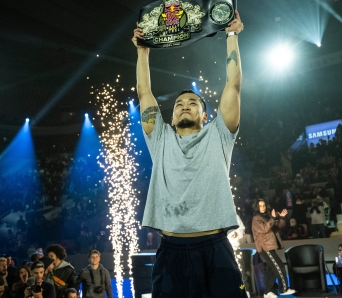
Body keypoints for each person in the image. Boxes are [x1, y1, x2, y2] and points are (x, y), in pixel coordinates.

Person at [132, 10, 247, 298]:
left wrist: (231, 36)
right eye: (179, 103)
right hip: (171, 251)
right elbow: (144, 92)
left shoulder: (220, 134)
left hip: (216, 248)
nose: (185, 105)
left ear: (205, 114)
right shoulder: (160, 138)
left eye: (193, 102)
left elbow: (233, 85)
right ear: (170, 118)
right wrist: (143, 51)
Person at [252, 199, 295, 298]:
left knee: (271, 269)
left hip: (270, 246)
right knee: (279, 266)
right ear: (257, 207)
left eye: (264, 205)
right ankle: (283, 289)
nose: (263, 207)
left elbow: (278, 226)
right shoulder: (256, 219)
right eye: (261, 206)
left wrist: (282, 217)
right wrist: (272, 218)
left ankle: (268, 291)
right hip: (265, 247)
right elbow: (264, 229)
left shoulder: (267, 216)